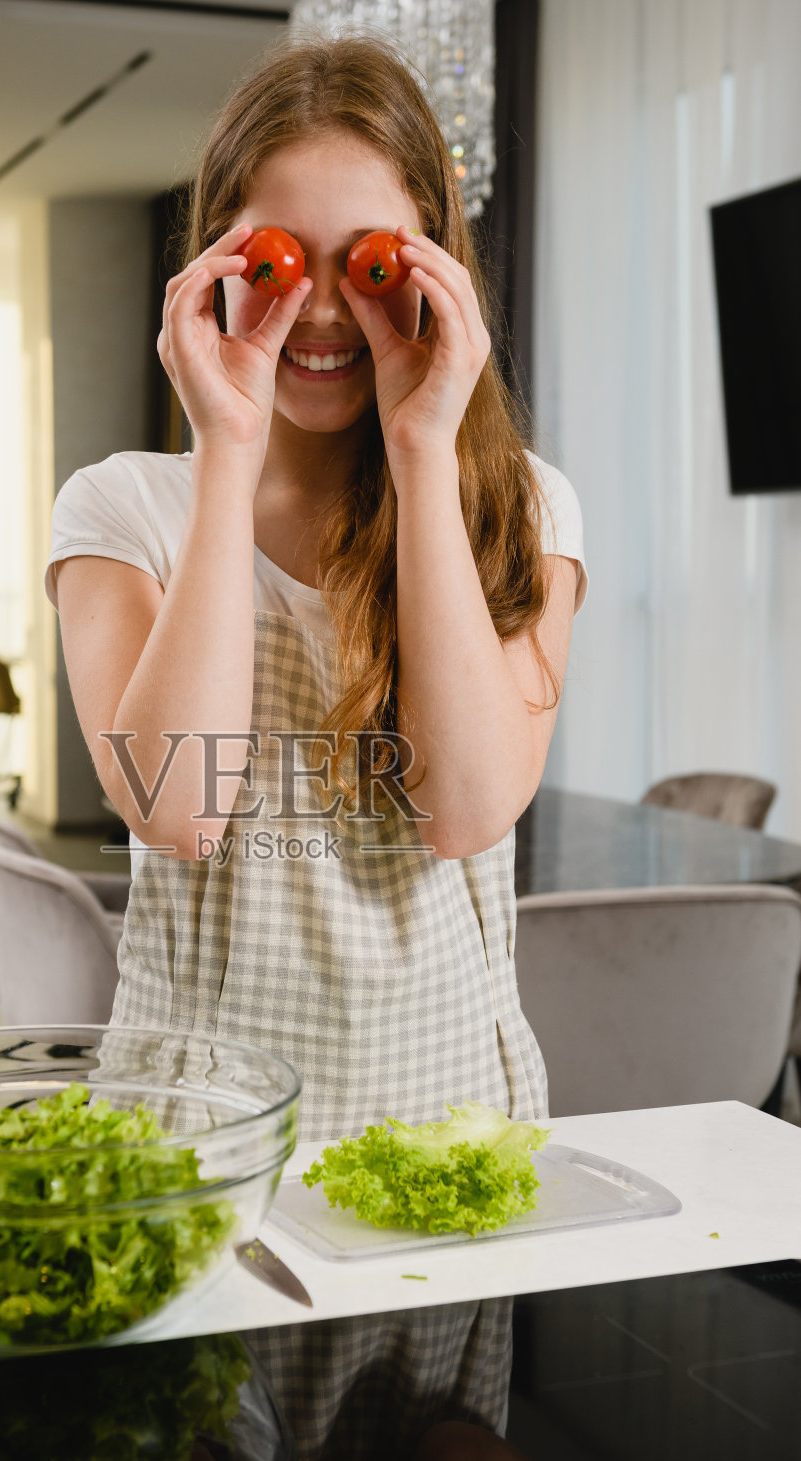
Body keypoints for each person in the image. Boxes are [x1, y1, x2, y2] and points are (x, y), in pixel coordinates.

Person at [48, 32, 585, 1143]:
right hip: (189, 1124)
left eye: (373, 262)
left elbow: (468, 812)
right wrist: (228, 444)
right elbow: (175, 812)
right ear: (213, 269)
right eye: (281, 265)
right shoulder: (122, 510)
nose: (330, 311)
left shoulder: (518, 509)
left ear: (437, 264)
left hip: (442, 1120)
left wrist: (425, 452)